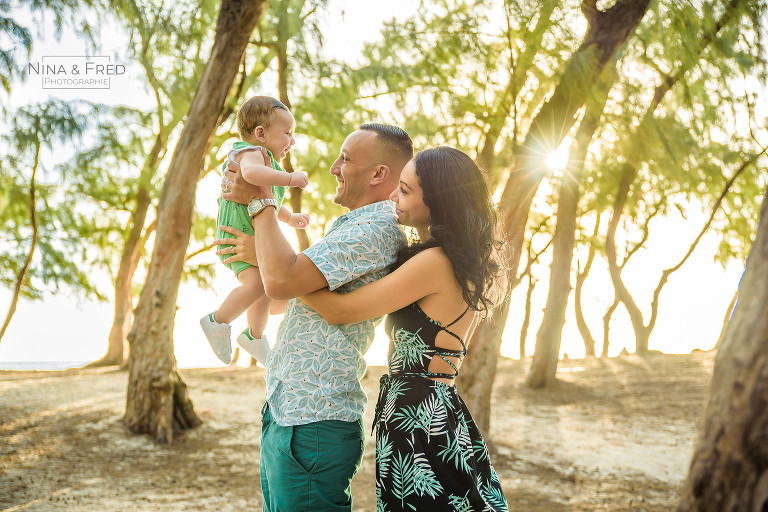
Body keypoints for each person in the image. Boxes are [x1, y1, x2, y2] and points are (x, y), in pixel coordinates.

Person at [214, 123, 414, 511]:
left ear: (378, 174)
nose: (334, 167)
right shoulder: (355, 224)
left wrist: (259, 200)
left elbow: (284, 280)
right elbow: (282, 298)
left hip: (313, 420)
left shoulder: (377, 228)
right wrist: (259, 269)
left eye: (346, 158)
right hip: (290, 413)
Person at [299, 146, 509, 511]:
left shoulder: (435, 262)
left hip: (419, 421)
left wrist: (286, 274)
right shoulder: (454, 261)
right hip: (434, 411)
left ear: (441, 203)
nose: (394, 196)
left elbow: (339, 311)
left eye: (406, 191)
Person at [200, 96, 310, 365]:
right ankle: (218, 320)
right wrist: (290, 178)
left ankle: (254, 336)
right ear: (261, 133)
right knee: (258, 284)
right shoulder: (250, 153)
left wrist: (290, 217)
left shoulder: (268, 163)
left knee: (264, 286)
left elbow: (269, 200)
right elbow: (251, 177)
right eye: (287, 134)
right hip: (234, 234)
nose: (292, 141)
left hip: (249, 235)